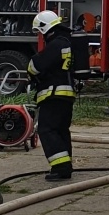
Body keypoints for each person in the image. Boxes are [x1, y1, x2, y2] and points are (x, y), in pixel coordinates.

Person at [27, 10, 76, 180]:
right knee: (61, 130)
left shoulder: (55, 45)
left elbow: (35, 66)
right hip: (66, 95)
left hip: (52, 94)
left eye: (40, 32)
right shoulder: (67, 42)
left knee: (47, 130)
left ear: (44, 28)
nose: (40, 36)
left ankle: (60, 167)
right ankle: (65, 165)